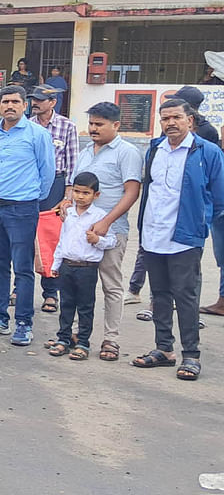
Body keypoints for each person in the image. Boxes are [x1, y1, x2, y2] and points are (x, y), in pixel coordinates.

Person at [130, 99, 224, 381]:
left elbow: (219, 199)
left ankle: (191, 355)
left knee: (185, 296)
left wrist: (199, 222)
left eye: (176, 118)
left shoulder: (207, 152)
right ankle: (164, 349)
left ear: (190, 120)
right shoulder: (155, 149)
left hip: (185, 238)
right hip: (153, 234)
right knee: (159, 294)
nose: (170, 123)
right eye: (165, 118)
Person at [0, 85, 56, 346]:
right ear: (0, 106)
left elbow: (47, 173)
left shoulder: (37, 134)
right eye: (5, 101)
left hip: (22, 208)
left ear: (24, 106)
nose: (9, 106)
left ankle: (23, 323)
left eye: (15, 102)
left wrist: (30, 198)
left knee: (22, 268)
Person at [72, 102, 142, 360]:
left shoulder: (127, 152)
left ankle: (111, 340)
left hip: (112, 230)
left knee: (111, 285)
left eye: (99, 124)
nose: (93, 128)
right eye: (91, 123)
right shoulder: (85, 152)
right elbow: (75, 186)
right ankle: (80, 333)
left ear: (116, 125)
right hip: (83, 229)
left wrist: (106, 223)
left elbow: (132, 192)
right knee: (81, 284)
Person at [47, 172, 117, 360]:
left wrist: (97, 240)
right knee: (67, 304)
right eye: (77, 192)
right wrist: (56, 264)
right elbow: (63, 240)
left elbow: (112, 241)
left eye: (85, 193)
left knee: (85, 306)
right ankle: (63, 339)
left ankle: (83, 342)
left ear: (96, 195)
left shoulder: (100, 216)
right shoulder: (68, 213)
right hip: (67, 265)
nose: (80, 196)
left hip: (87, 267)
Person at [30, 84, 78, 315]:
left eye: (40, 99)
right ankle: (21, 288)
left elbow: (72, 165)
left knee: (50, 240)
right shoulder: (26, 126)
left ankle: (50, 292)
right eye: (34, 99)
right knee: (24, 238)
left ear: (53, 102)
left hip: (56, 187)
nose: (35, 103)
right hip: (29, 185)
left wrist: (68, 197)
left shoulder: (67, 127)